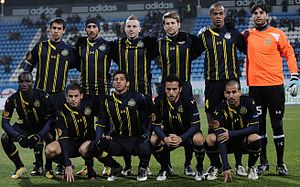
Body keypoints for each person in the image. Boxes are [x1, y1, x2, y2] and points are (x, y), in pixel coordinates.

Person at [244, 3, 299, 176]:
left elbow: (289, 54)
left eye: (261, 12)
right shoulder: (247, 35)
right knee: (259, 127)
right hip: (255, 88)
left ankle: (280, 163)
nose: (258, 15)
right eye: (255, 13)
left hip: (275, 87)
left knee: (277, 125)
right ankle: (263, 163)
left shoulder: (278, 34)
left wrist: (295, 76)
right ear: (252, 16)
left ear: (267, 15)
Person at [197, 2, 247, 179]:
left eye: (220, 13)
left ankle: (240, 164)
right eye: (214, 13)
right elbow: (191, 53)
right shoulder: (203, 36)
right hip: (212, 85)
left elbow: (248, 50)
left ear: (224, 15)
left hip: (231, 83)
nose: (218, 16)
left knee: (237, 122)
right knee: (213, 124)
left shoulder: (234, 33)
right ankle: (215, 164)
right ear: (210, 15)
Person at [23, 17, 76, 176]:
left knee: (57, 130)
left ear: (64, 31)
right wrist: (26, 84)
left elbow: (81, 66)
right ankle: (39, 165)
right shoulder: (40, 47)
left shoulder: (70, 50)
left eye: (59, 28)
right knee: (39, 130)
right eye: (54, 28)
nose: (56, 31)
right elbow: (28, 66)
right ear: (49, 29)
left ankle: (58, 163)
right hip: (40, 95)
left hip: (59, 96)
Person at [110, 15, 157, 174]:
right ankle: (128, 165)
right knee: (124, 128)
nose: (131, 29)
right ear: (125, 28)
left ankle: (146, 164)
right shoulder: (117, 45)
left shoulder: (148, 44)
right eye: (128, 26)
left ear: (140, 29)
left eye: (134, 26)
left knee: (144, 129)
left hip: (143, 92)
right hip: (124, 94)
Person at [88, 70, 153, 181]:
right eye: (115, 79)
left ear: (127, 83)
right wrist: (99, 138)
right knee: (94, 146)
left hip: (136, 140)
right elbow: (100, 123)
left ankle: (143, 168)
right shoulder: (107, 101)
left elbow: (151, 118)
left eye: (121, 79)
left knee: (147, 145)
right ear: (112, 83)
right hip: (118, 141)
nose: (118, 82)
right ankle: (116, 167)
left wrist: (147, 134)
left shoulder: (138, 97)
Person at [157, 10, 200, 176]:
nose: (170, 26)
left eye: (172, 23)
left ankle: (188, 164)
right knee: (165, 126)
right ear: (163, 26)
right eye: (167, 23)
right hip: (165, 89)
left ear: (179, 24)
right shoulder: (159, 43)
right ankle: (166, 165)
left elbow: (202, 46)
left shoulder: (189, 39)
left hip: (185, 88)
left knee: (187, 126)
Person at [75, 17, 112, 176]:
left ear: (99, 29)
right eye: (88, 26)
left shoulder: (108, 46)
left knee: (105, 131)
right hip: (87, 95)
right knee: (87, 130)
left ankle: (108, 165)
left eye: (94, 26)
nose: (91, 29)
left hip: (103, 94)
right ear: (85, 29)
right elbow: (77, 64)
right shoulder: (81, 45)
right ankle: (88, 165)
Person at [151, 75, 205, 181]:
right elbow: (156, 125)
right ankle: (165, 168)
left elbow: (195, 126)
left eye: (174, 89)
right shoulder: (159, 101)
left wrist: (181, 138)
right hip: (169, 133)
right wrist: (165, 138)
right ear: (164, 89)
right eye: (168, 89)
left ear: (180, 89)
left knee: (198, 140)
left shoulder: (189, 101)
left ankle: (199, 168)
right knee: (153, 140)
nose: (171, 92)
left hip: (188, 132)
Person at [1, 72, 54, 179]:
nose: (24, 84)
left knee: (50, 136)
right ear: (18, 83)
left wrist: (39, 135)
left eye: (27, 81)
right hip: (24, 127)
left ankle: (48, 168)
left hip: (42, 126)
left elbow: (51, 119)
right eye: (21, 81)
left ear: (33, 83)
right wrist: (18, 136)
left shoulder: (42, 96)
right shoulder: (13, 99)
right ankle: (19, 167)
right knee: (5, 137)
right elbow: (4, 122)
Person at [205, 80, 261, 182]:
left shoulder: (249, 102)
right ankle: (218, 166)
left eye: (234, 92)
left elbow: (255, 127)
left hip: (242, 141)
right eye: (228, 92)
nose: (231, 95)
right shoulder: (220, 108)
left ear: (240, 92)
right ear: (224, 94)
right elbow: (220, 135)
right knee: (210, 139)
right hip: (227, 144)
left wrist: (231, 134)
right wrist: (226, 166)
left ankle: (251, 167)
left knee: (255, 138)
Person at [45, 83, 96, 182]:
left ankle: (91, 170)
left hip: (85, 144)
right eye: (70, 96)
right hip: (68, 144)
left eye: (76, 96)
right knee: (49, 150)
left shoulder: (89, 106)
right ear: (66, 96)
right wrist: (67, 164)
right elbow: (63, 139)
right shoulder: (61, 112)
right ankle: (66, 166)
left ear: (81, 95)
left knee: (85, 148)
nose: (73, 99)